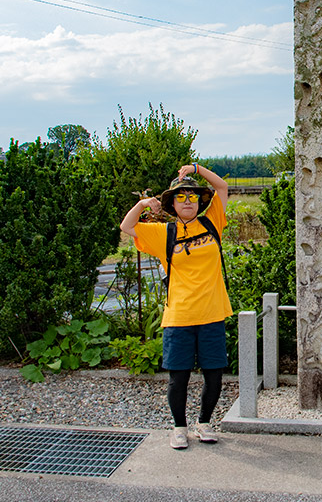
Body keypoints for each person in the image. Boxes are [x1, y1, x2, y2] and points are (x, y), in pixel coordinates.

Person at [120, 163, 231, 449]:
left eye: (192, 197)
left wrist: (196, 168)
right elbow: (127, 226)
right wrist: (144, 202)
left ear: (199, 201)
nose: (187, 202)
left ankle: (204, 422)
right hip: (179, 315)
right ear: (172, 202)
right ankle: (179, 427)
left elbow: (221, 187)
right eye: (181, 197)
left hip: (212, 312)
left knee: (214, 375)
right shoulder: (163, 233)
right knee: (178, 377)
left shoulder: (211, 222)